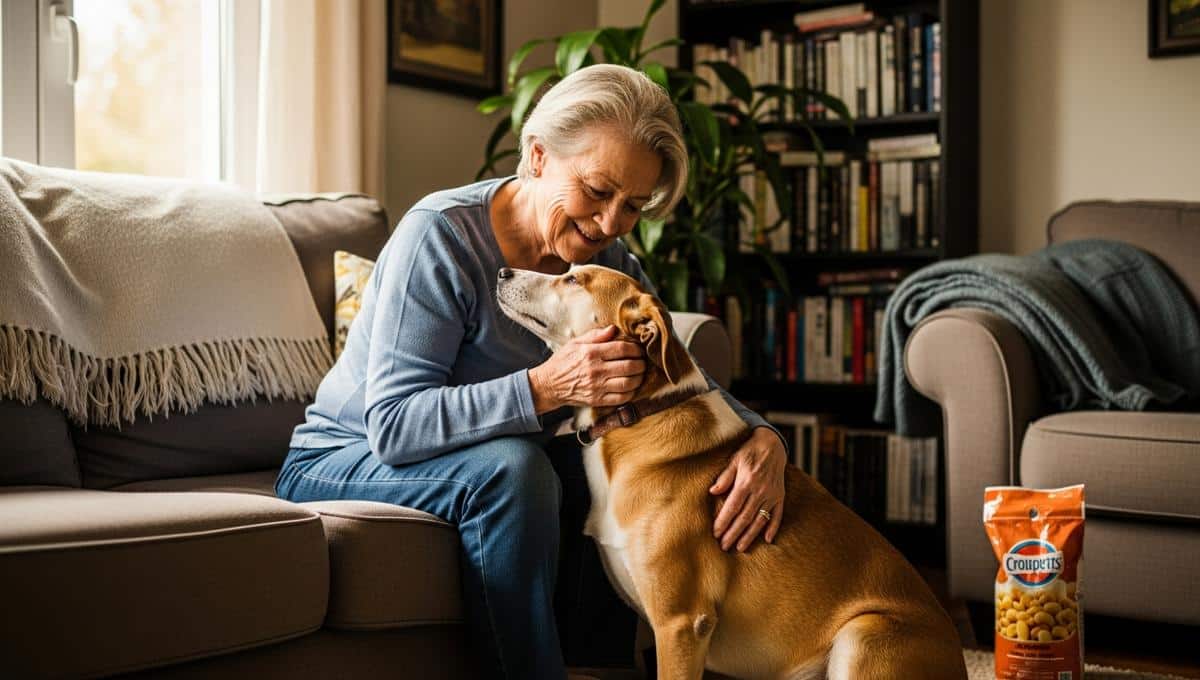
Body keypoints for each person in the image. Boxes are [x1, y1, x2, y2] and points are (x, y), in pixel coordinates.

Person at [275, 63, 788, 680]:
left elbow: (676, 377)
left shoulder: (608, 259)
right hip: (343, 455)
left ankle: (602, 670)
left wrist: (763, 437)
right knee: (516, 469)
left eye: (633, 206)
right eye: (597, 191)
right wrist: (547, 387)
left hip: (474, 451)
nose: (610, 224)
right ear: (539, 156)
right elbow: (393, 425)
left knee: (622, 463)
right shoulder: (440, 237)